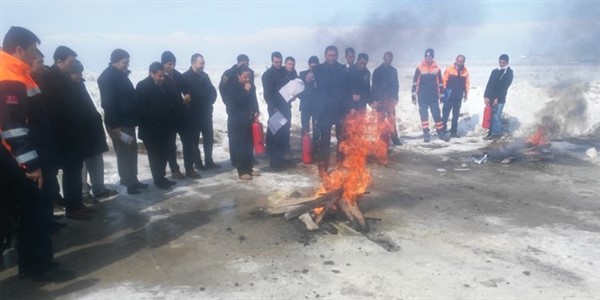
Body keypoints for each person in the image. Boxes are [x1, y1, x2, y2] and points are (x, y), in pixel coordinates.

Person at [0, 26, 74, 282]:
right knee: (36, 215)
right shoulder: (9, 75)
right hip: (27, 164)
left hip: (29, 158)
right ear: (19, 49)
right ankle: (39, 267)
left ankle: (34, 263)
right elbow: (13, 127)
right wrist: (30, 165)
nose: (35, 55)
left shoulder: (17, 72)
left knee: (35, 215)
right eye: (32, 50)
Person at [42, 46, 96, 220]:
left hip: (73, 133)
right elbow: (54, 109)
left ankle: (76, 203)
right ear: (59, 61)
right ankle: (71, 208)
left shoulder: (62, 78)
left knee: (75, 169)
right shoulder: (50, 78)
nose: (72, 65)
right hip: (62, 135)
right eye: (70, 62)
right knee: (70, 170)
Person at [64, 60, 118, 202]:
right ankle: (83, 193)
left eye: (80, 72)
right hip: (77, 131)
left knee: (96, 159)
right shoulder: (64, 87)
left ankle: (99, 188)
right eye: (76, 73)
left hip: (91, 129)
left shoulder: (79, 84)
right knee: (82, 164)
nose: (79, 75)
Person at [98, 49, 148, 194]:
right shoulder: (107, 77)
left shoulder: (120, 74)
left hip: (128, 121)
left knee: (131, 151)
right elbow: (107, 103)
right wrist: (114, 126)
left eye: (127, 62)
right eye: (124, 62)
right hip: (119, 123)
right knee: (124, 153)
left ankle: (133, 179)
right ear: (115, 61)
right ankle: (127, 182)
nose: (127, 65)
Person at [136, 62, 178, 189]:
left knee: (165, 153)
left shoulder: (165, 85)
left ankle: (162, 177)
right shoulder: (143, 86)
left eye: (163, 76)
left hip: (165, 128)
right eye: (159, 76)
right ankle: (158, 180)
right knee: (155, 156)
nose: (162, 78)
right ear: (151, 73)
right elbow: (140, 110)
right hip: (151, 129)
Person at [313, 45, 349, 176]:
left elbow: (347, 89)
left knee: (341, 138)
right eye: (330, 55)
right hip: (325, 109)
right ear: (325, 55)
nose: (332, 58)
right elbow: (309, 85)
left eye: (334, 55)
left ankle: (340, 163)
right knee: (325, 140)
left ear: (337, 56)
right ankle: (323, 167)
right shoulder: (318, 69)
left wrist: (348, 108)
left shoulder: (342, 69)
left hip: (340, 108)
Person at [182, 53, 220, 177]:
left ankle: (209, 160)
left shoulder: (204, 76)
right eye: (201, 63)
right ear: (193, 63)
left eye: (203, 63)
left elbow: (212, 91)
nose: (203, 65)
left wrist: (211, 102)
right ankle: (197, 163)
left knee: (208, 138)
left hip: (206, 113)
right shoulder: (185, 77)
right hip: (193, 115)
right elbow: (184, 96)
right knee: (194, 141)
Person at [219, 54, 254, 167]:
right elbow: (223, 89)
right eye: (244, 64)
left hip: (246, 110)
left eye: (248, 64)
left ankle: (249, 159)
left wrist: (255, 108)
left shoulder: (250, 72)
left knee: (248, 138)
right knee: (235, 138)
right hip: (234, 109)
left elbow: (252, 92)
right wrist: (229, 104)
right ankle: (236, 160)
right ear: (238, 62)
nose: (246, 66)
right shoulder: (229, 73)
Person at [226, 66, 260, 180]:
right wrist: (245, 90)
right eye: (245, 77)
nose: (247, 79)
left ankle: (249, 168)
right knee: (239, 146)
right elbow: (235, 102)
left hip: (248, 119)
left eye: (249, 77)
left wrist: (256, 111)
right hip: (236, 120)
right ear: (238, 76)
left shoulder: (251, 86)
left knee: (249, 145)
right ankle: (242, 171)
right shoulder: (231, 86)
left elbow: (254, 100)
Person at [262, 51, 294, 170]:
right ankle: (274, 162)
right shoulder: (268, 75)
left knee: (284, 134)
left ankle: (281, 158)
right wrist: (274, 109)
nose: (278, 64)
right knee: (275, 135)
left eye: (280, 62)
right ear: (272, 61)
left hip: (285, 108)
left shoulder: (283, 72)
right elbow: (267, 95)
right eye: (276, 62)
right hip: (276, 109)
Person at [411, 48, 449, 142]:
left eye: (430, 56)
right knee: (424, 115)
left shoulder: (437, 68)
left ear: (433, 57)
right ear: (425, 57)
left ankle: (440, 132)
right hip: (422, 96)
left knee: (436, 114)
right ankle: (426, 133)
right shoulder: (419, 68)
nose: (428, 58)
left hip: (433, 96)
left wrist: (442, 95)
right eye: (427, 56)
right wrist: (413, 95)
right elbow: (415, 82)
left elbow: (440, 83)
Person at [161, 51, 187, 179]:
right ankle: (174, 170)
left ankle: (189, 167)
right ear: (163, 64)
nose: (172, 67)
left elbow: (186, 88)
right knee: (170, 144)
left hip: (180, 114)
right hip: (168, 117)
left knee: (187, 141)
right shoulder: (159, 77)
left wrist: (187, 94)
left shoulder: (177, 75)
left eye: (173, 64)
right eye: (169, 64)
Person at [371, 51, 401, 145]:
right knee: (380, 120)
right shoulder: (377, 71)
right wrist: (374, 100)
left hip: (390, 99)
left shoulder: (393, 71)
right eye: (387, 59)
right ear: (383, 59)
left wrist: (396, 97)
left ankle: (394, 138)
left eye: (390, 60)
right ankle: (382, 139)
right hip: (380, 99)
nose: (388, 61)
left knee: (391, 119)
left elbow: (396, 85)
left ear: (392, 60)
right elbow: (374, 86)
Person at [483, 54, 513, 140]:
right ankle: (490, 133)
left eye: (504, 62)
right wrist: (486, 96)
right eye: (500, 62)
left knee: (496, 116)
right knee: (490, 116)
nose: (501, 64)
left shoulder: (509, 73)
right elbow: (489, 85)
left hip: (500, 99)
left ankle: (496, 134)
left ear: (507, 62)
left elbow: (504, 87)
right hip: (490, 97)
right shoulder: (494, 71)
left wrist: (498, 98)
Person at [442, 54, 470, 139]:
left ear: (463, 62)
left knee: (456, 115)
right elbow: (444, 81)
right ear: (456, 60)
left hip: (458, 96)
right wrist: (443, 93)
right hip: (449, 95)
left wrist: (466, 94)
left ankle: (453, 132)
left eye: (461, 61)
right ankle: (442, 131)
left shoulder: (465, 71)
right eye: (458, 61)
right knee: (445, 114)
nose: (459, 63)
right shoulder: (449, 69)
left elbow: (467, 84)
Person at [298, 56, 320, 158]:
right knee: (305, 128)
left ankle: (316, 149)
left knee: (317, 129)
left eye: (316, 67)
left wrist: (316, 82)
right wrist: (306, 80)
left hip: (317, 106)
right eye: (312, 66)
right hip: (306, 106)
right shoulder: (302, 74)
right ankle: (305, 150)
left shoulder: (321, 75)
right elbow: (298, 90)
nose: (314, 69)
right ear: (309, 65)